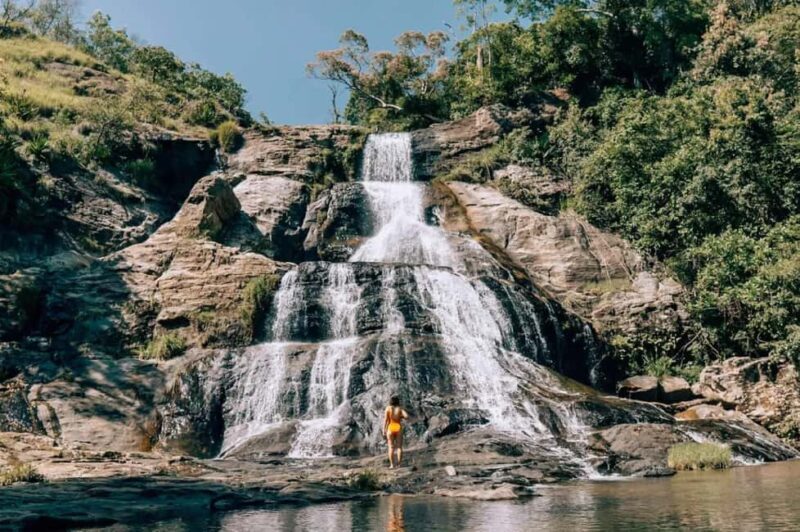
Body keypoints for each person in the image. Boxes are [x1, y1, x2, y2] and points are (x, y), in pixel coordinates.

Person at [383, 396, 409, 469]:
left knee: (391, 447)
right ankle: (399, 464)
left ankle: (392, 465)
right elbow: (407, 416)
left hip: (390, 428)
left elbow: (385, 420)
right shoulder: (400, 408)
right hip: (398, 427)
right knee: (399, 447)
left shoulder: (388, 408)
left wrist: (384, 430)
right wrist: (401, 416)